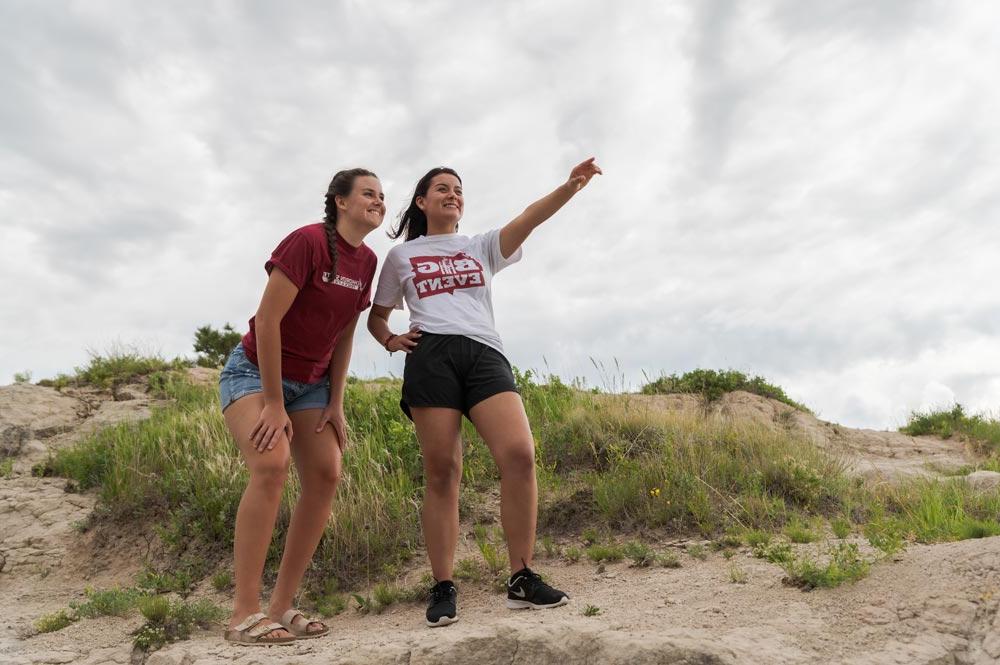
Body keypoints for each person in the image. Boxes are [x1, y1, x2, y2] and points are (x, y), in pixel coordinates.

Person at [367, 158, 602, 627]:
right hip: (431, 357)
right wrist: (391, 340)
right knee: (443, 472)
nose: (452, 194)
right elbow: (377, 316)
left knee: (519, 454)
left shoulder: (481, 246)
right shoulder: (401, 257)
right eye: (441, 189)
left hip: (483, 354)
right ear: (421, 201)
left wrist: (569, 187)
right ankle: (443, 585)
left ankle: (521, 578)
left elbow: (528, 219)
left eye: (457, 189)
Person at [219, 168, 384, 645]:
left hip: (312, 386)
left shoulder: (368, 261)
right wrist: (273, 403)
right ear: (340, 202)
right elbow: (268, 321)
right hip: (254, 373)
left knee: (327, 473)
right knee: (271, 466)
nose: (378, 201)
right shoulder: (307, 242)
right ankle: (242, 612)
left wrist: (336, 400)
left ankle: (281, 606)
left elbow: (345, 333)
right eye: (368, 194)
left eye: (381, 195)